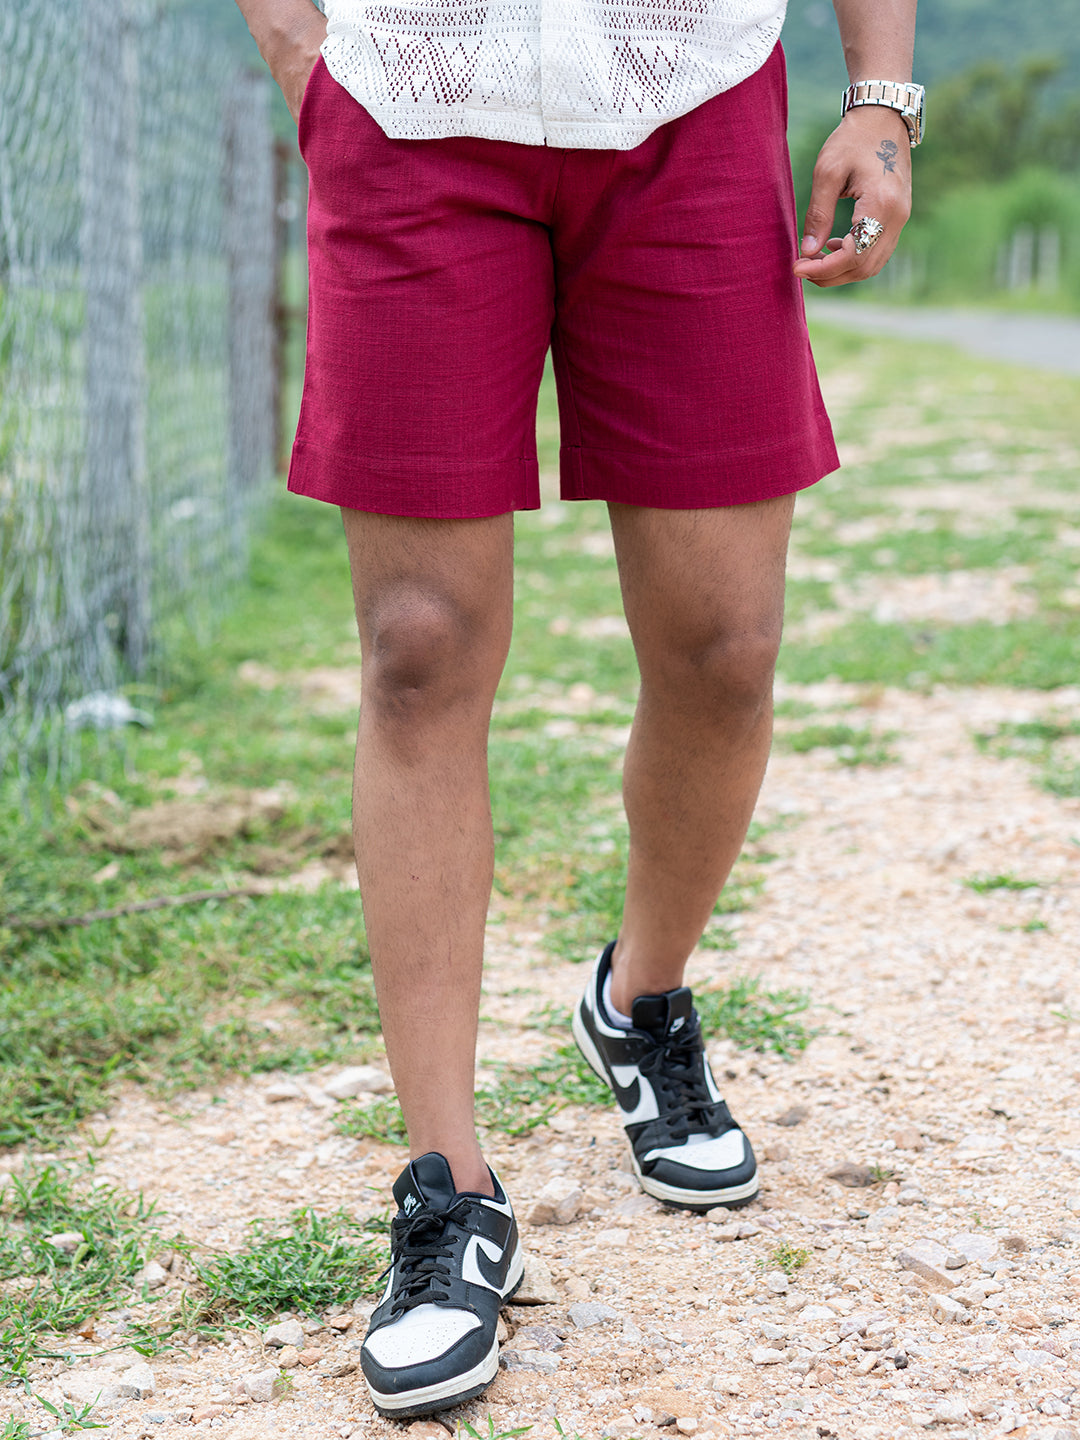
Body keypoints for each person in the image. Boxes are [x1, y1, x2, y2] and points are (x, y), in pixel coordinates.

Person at [234, 0, 919, 1418]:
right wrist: (300, 44)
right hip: (414, 94)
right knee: (417, 648)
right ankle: (448, 1191)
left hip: (688, 92)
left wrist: (882, 93)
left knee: (724, 648)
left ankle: (640, 999)